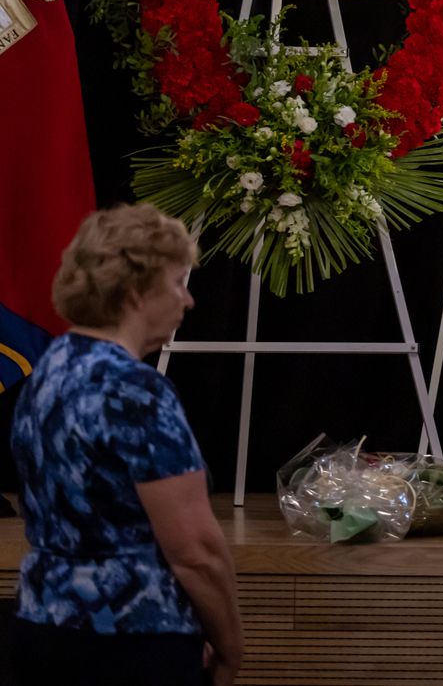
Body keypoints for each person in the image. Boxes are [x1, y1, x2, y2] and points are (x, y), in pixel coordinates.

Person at [9, 204, 242, 686]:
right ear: (137, 292)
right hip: (129, 642)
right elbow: (195, 550)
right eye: (179, 282)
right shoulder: (133, 389)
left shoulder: (45, 371)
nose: (189, 300)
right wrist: (231, 646)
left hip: (39, 626)